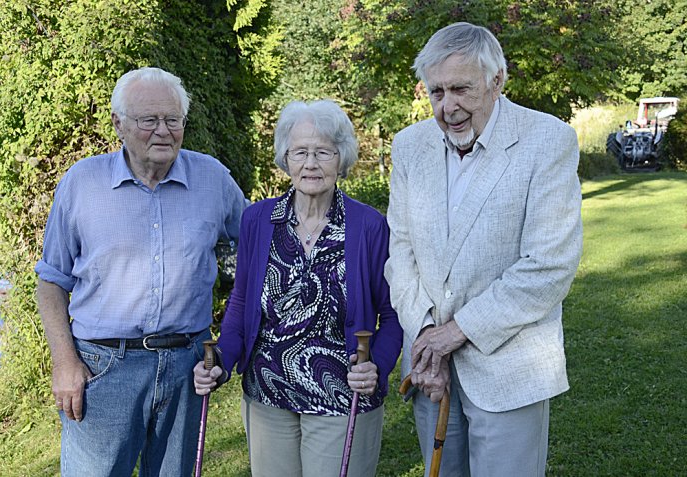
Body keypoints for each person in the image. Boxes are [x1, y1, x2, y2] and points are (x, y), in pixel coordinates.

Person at [384, 23, 583, 477]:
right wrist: (427, 335)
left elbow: (549, 265)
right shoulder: (409, 146)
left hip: (510, 368)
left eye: (460, 89)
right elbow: (402, 254)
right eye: (436, 92)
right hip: (428, 367)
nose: (447, 107)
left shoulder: (547, 140)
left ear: (497, 81)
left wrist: (455, 333)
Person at [34, 67, 247, 477]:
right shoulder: (82, 183)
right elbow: (51, 280)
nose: (163, 131)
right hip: (103, 368)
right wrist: (64, 362)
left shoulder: (213, 179)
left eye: (173, 120)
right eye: (149, 120)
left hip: (188, 366)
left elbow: (259, 250)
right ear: (119, 124)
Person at [193, 99, 402, 477]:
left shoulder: (369, 227)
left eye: (323, 152)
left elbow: (391, 314)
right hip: (267, 397)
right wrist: (221, 360)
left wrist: (378, 366)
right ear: (285, 159)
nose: (310, 164)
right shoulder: (258, 220)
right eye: (300, 152)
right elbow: (241, 303)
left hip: (343, 396)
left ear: (342, 158)